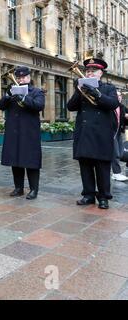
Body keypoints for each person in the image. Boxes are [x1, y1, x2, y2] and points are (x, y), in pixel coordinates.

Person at [67, 58, 119, 209]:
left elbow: (113, 104)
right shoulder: (81, 87)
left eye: (93, 71)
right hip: (84, 133)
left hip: (101, 133)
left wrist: (96, 93)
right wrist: (79, 92)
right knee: (85, 166)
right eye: (87, 71)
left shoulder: (108, 88)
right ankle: (88, 195)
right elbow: (70, 107)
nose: (89, 73)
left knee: (102, 167)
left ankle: (103, 197)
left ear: (100, 73)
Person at [0, 66, 45, 200]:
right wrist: (7, 95)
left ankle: (33, 189)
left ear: (29, 78)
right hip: (14, 131)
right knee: (15, 159)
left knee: (31, 161)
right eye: (18, 77)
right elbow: (0, 106)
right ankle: (18, 188)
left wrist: (23, 98)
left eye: (23, 77)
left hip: (29, 133)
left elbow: (39, 105)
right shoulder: (12, 91)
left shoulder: (36, 92)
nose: (20, 79)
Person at [111, 91, 128, 181]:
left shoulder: (121, 107)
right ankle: (116, 173)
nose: (119, 97)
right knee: (116, 153)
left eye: (120, 95)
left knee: (121, 152)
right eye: (117, 95)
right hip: (110, 132)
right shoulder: (110, 107)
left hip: (118, 132)